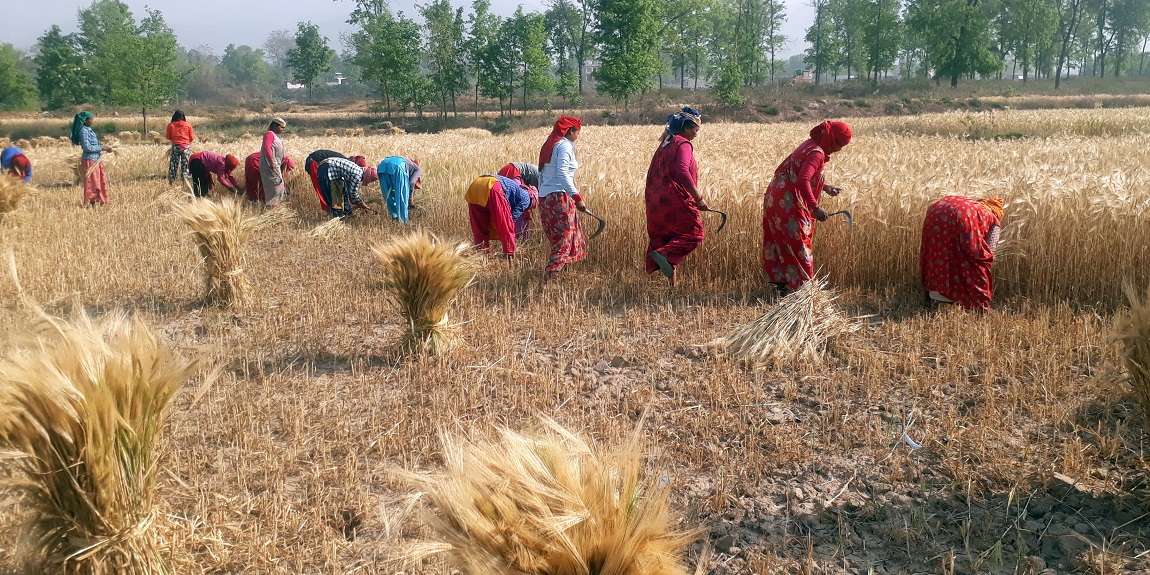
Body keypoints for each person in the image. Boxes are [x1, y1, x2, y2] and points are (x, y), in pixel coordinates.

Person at [762, 121, 852, 295]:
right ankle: (803, 292)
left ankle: (782, 288)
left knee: (781, 241)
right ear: (831, 137)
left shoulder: (810, 144)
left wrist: (825, 186)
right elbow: (803, 180)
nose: (837, 149)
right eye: (837, 144)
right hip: (788, 202)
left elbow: (799, 172)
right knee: (799, 244)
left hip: (776, 198)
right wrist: (815, 207)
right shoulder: (817, 153)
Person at [644, 107, 707, 287]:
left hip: (656, 198)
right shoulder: (683, 144)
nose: (696, 134)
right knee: (695, 234)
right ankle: (662, 255)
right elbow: (682, 171)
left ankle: (673, 287)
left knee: (670, 238)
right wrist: (698, 198)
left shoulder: (666, 142)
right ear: (687, 128)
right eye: (696, 129)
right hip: (676, 198)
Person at [920, 196, 1005, 310]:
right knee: (978, 260)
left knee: (936, 252)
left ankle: (933, 296)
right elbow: (989, 251)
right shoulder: (993, 219)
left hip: (935, 210)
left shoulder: (975, 206)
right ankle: (975, 304)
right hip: (962, 214)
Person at [537, 116, 585, 280]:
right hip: (559, 197)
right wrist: (577, 197)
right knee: (564, 238)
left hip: (545, 198)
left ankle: (557, 272)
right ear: (571, 130)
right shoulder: (564, 146)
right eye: (578, 132)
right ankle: (551, 277)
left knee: (559, 238)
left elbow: (541, 174)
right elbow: (563, 173)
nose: (578, 136)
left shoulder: (551, 144)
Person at [466, 173, 532, 258]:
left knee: (479, 227)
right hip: (492, 187)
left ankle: (481, 255)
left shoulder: (517, 190)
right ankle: (510, 254)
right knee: (505, 224)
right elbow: (512, 217)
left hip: (475, 186)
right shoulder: (527, 197)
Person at [71, 111, 111, 207]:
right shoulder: (83, 131)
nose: (92, 121)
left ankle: (99, 201)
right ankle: (89, 202)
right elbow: (87, 147)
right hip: (90, 160)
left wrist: (104, 148)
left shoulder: (89, 130)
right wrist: (102, 148)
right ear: (85, 121)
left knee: (98, 181)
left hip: (96, 159)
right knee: (92, 182)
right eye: (91, 119)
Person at [497, 162, 540, 240]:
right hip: (512, 172)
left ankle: (514, 236)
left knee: (514, 206)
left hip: (507, 173)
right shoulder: (546, 182)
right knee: (521, 206)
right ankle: (519, 238)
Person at [377, 156, 421, 223]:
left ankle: (395, 217)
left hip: (382, 166)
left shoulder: (408, 163)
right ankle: (402, 221)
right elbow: (412, 182)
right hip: (398, 166)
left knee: (389, 194)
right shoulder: (418, 170)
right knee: (402, 195)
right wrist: (410, 198)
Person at [260, 118, 289, 206]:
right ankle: (273, 206)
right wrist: (272, 161)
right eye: (281, 127)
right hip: (270, 165)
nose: (282, 130)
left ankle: (276, 205)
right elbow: (266, 147)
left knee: (277, 186)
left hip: (274, 164)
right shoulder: (269, 134)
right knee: (275, 186)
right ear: (275, 126)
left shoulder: (274, 135)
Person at [165, 110, 194, 184]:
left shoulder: (171, 125)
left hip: (175, 146)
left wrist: (175, 140)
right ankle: (185, 181)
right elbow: (191, 138)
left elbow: (168, 137)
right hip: (185, 147)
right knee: (185, 164)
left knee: (174, 163)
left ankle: (171, 180)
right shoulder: (188, 125)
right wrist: (185, 142)